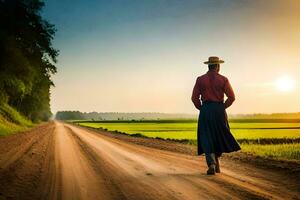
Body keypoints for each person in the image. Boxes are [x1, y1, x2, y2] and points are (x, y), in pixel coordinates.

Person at [191, 56, 241, 175]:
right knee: (219, 136)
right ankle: (216, 164)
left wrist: (202, 108)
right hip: (219, 109)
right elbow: (232, 97)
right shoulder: (223, 79)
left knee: (206, 137)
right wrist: (222, 107)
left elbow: (194, 98)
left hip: (206, 110)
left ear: (208, 66)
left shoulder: (200, 79)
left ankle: (213, 164)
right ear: (218, 66)